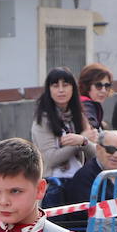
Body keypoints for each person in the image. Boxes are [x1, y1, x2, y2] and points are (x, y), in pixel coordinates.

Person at [29, 67, 97, 198]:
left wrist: (84, 141)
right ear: (49, 90)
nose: (61, 90)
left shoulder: (79, 116)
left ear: (73, 88)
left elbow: (95, 154)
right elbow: (49, 158)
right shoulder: (42, 119)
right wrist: (80, 141)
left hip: (78, 182)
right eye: (55, 85)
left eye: (65, 85)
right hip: (53, 185)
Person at [64, 127, 117, 208]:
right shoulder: (85, 176)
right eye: (110, 149)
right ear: (98, 149)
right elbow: (83, 213)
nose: (116, 155)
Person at [78, 63, 114, 130]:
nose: (103, 90)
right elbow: (91, 124)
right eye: (98, 85)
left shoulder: (84, 101)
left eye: (107, 86)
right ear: (87, 86)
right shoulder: (85, 103)